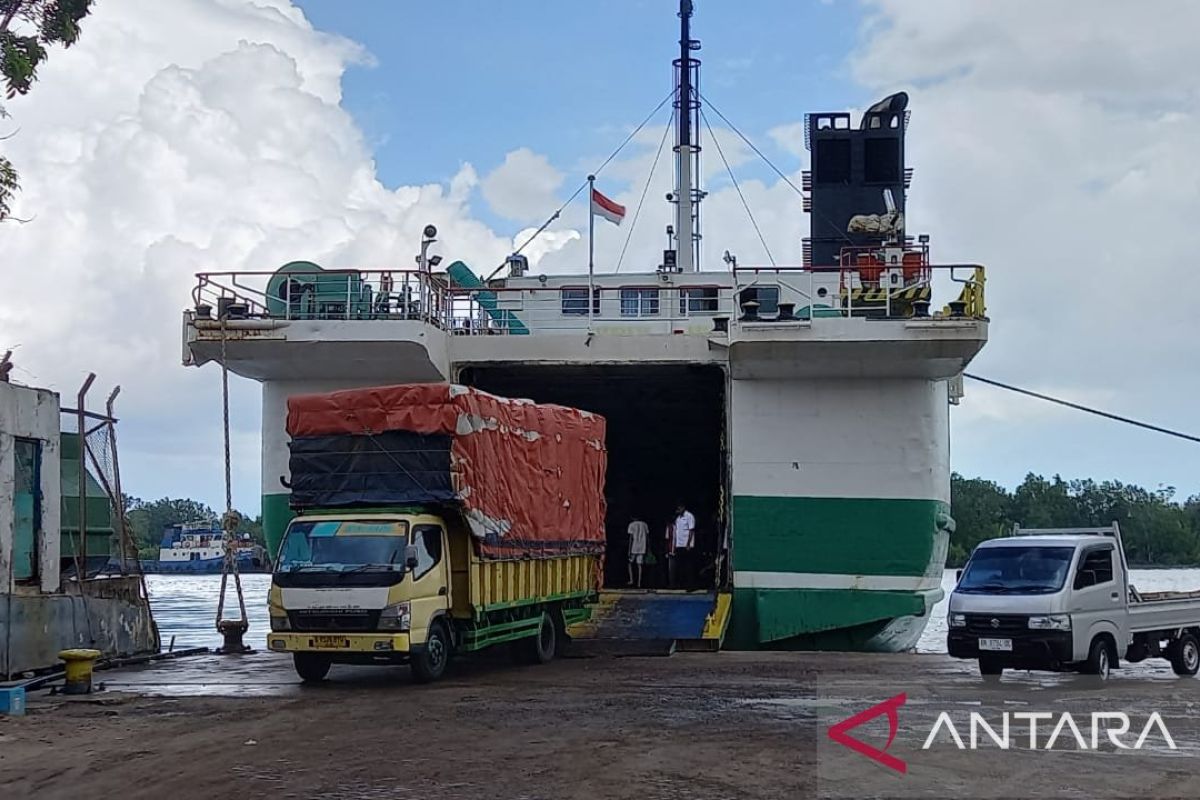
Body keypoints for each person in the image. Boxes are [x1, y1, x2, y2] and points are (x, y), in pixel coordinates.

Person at [668, 502, 695, 589]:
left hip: (686, 545)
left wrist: (688, 544)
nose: (677, 511)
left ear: (683, 508)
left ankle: (690, 585)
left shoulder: (689, 516)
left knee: (688, 566)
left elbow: (691, 530)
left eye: (679, 509)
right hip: (679, 545)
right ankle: (681, 584)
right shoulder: (678, 518)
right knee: (680, 566)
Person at [627, 514, 649, 588]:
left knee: (630, 563)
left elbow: (631, 538)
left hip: (634, 546)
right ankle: (639, 582)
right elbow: (647, 537)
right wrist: (648, 548)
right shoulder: (645, 524)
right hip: (642, 546)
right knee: (639, 565)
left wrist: (629, 550)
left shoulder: (631, 525)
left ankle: (631, 580)